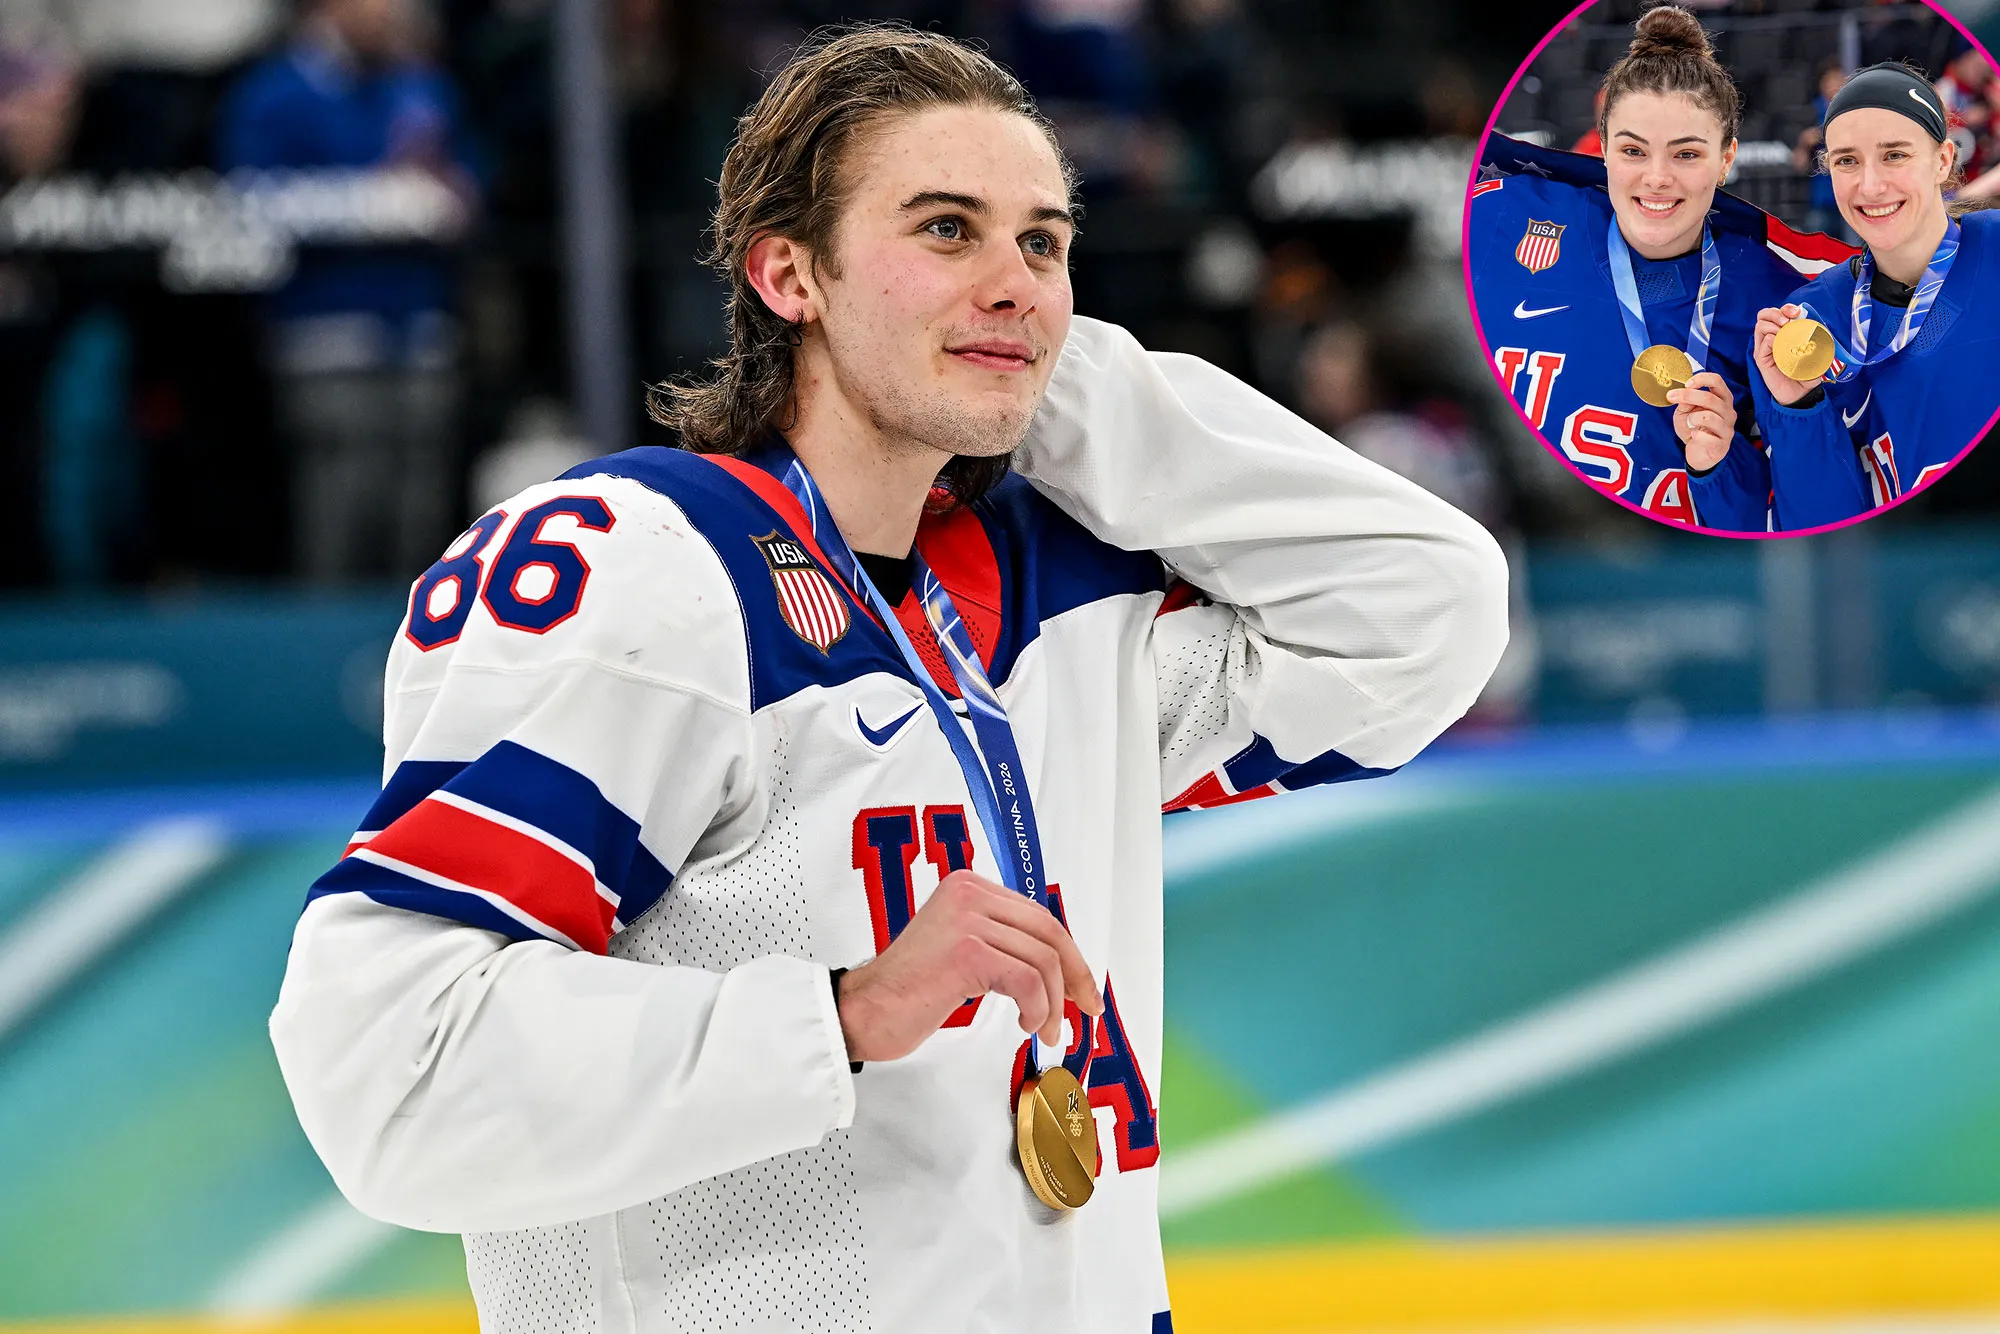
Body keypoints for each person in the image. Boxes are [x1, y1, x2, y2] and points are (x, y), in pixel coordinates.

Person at [268, 26, 1509, 1334]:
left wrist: (1032, 374)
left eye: (1044, 242)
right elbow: (390, 1069)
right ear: (787, 274)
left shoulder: (1063, 601)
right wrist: (839, 1015)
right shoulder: (651, 568)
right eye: (946, 229)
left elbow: (1425, 611)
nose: (1015, 281)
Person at [1469, 6, 1853, 533]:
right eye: (1633, 150)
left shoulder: (1785, 301)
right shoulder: (1501, 213)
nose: (1656, 178)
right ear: (1602, 147)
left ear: (1727, 158)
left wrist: (1718, 463)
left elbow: (1813, 526)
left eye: (1686, 155)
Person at [216, 0, 476, 583]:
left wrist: (445, 194)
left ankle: (421, 627)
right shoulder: (274, 94)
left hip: (420, 323)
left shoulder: (420, 85)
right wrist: (371, 203)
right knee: (342, 491)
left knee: (423, 491)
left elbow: (468, 179)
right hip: (325, 329)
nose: (388, 11)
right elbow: (248, 200)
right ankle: (325, 630)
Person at [1750, 62, 2000, 528]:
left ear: (1943, 160)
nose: (1870, 186)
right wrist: (1799, 408)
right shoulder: (1805, 323)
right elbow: (1825, 534)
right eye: (1847, 160)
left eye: (1895, 155)